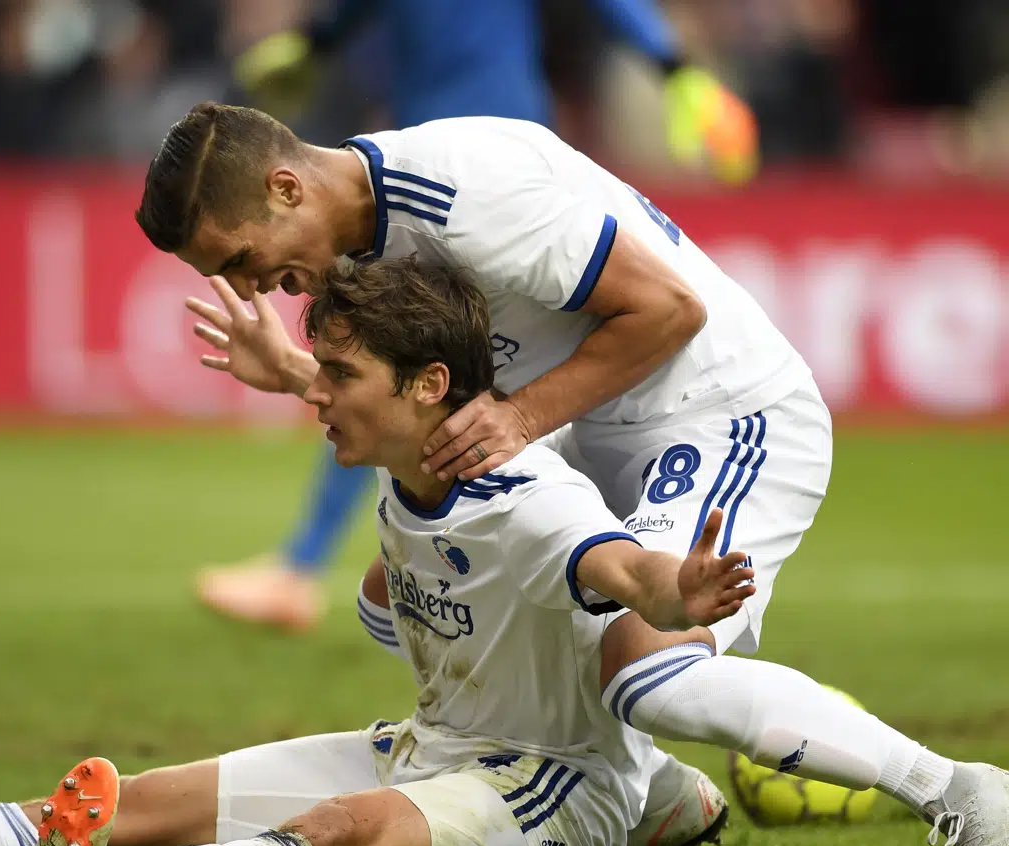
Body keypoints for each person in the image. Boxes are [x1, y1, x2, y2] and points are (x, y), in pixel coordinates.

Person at [0, 261, 1007, 846]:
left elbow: (608, 563)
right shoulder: (406, 462)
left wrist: (675, 584)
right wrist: (305, 376)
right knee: (114, 803)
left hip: (544, 795)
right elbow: (392, 572)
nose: (315, 401)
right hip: (437, 748)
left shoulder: (535, 500)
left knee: (343, 834)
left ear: (423, 388)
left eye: (336, 379)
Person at [136, 105, 1009, 846]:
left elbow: (670, 308)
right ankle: (651, 792)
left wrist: (517, 419)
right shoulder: (359, 241)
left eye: (243, 260)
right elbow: (410, 399)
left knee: (649, 675)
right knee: (397, 607)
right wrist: (299, 375)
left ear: (286, 187)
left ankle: (963, 792)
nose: (252, 288)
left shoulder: (463, 191)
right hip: (585, 431)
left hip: (714, 415)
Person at [199, 0, 757, 636]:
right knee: (409, 371)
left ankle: (309, 567)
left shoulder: (468, 186)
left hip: (478, 158)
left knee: (402, 368)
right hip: (412, 157)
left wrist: (674, 64)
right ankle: (398, 566)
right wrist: (316, 44)